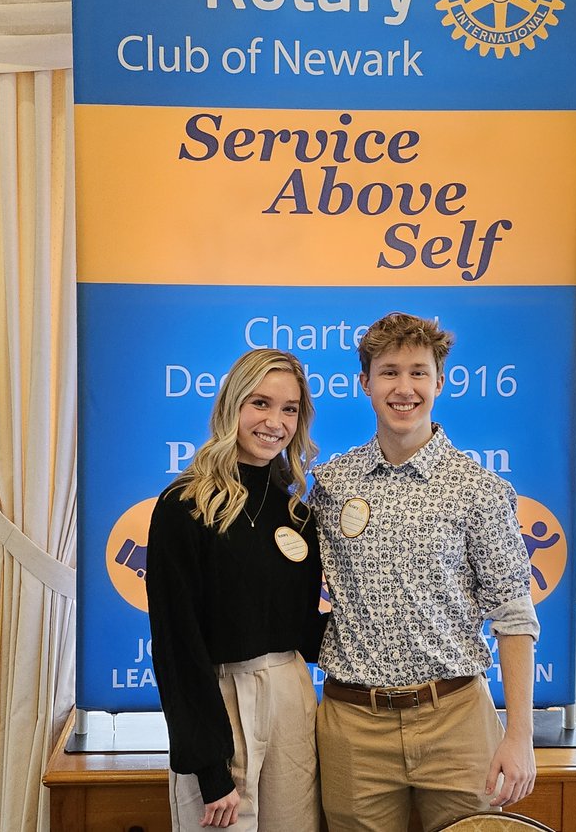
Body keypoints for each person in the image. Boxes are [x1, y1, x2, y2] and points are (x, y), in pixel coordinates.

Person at [310, 312, 540, 832]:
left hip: (455, 719)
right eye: (389, 371)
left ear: (440, 381)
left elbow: (514, 615)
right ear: (365, 382)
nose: (404, 387)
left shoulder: (478, 490)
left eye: (418, 372)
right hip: (352, 724)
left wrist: (519, 735)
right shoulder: (330, 484)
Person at [147, 348, 324, 831]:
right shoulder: (185, 506)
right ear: (231, 406)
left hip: (291, 692)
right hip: (219, 697)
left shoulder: (297, 513)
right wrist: (208, 765)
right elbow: (176, 643)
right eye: (260, 403)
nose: (275, 421)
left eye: (290, 409)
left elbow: (306, 630)